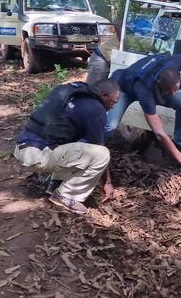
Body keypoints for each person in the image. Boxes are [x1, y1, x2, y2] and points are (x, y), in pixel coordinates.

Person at [14, 79, 120, 215]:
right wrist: (108, 182)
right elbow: (98, 145)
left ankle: (56, 184)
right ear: (104, 95)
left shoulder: (75, 93)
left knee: (79, 146)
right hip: (39, 156)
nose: (113, 106)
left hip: (23, 146)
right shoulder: (95, 109)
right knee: (102, 154)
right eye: (114, 101)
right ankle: (66, 196)